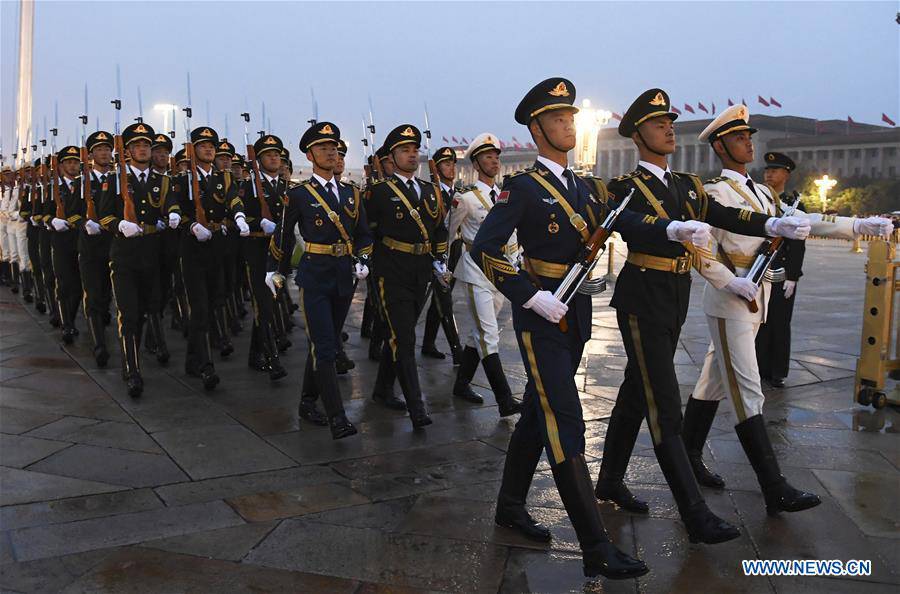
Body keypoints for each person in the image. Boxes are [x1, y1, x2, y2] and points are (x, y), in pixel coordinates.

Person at [470, 78, 709, 578]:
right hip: (542, 315)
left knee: (539, 412)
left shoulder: (584, 187)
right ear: (536, 129)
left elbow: (626, 223)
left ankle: (510, 505)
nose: (569, 126)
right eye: (558, 119)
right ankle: (595, 547)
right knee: (564, 419)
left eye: (572, 118)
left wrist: (671, 228)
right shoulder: (523, 188)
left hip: (576, 311)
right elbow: (485, 247)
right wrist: (529, 295)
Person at [593, 89, 802, 545]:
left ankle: (608, 480)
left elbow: (728, 213)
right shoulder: (625, 187)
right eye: (658, 124)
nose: (669, 128)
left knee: (635, 389)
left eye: (670, 122)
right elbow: (622, 223)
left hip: (675, 294)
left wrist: (771, 224)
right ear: (636, 135)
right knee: (664, 402)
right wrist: (669, 228)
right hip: (641, 297)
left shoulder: (687, 184)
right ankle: (693, 512)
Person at [687, 104, 894, 515]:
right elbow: (698, 249)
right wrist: (730, 282)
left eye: (749, 135)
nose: (749, 142)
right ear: (721, 145)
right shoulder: (713, 193)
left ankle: (688, 456)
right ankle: (774, 486)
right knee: (748, 390)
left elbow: (805, 221)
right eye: (740, 137)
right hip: (732, 297)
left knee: (711, 381)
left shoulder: (763, 193)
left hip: (756, 294)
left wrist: (857, 226)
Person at [266, 122, 371, 439]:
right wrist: (275, 269)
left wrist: (363, 258)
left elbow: (364, 234)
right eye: (324, 147)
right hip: (314, 276)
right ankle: (338, 417)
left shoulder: (352, 194)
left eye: (334, 147)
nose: (331, 151)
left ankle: (307, 401)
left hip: (344, 276)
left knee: (322, 342)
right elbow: (283, 236)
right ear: (310, 155)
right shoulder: (298, 194)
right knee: (327, 346)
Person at [366, 124, 448, 428]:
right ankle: (417, 407)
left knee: (399, 335)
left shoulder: (429, 190)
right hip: (392, 271)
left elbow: (439, 227)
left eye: (415, 150)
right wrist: (367, 265)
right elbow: (367, 232)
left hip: (421, 271)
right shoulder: (379, 192)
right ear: (392, 156)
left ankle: (381, 389)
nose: (412, 154)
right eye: (404, 150)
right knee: (405, 337)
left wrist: (439, 259)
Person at [447, 135, 521, 416]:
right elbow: (448, 233)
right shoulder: (464, 199)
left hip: (504, 272)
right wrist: (442, 265)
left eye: (496, 157)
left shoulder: (506, 196)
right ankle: (504, 400)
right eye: (488, 157)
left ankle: (461, 384)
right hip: (478, 271)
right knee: (488, 334)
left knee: (481, 331)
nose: (494, 162)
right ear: (476, 163)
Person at [171, 126, 249, 390]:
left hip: (216, 244)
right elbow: (174, 209)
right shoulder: (182, 180)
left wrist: (238, 215)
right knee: (200, 307)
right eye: (203, 145)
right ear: (192, 150)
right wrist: (189, 225)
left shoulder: (224, 178)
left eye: (211, 146)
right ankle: (205, 365)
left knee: (216, 300)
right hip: (192, 248)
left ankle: (193, 360)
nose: (208, 149)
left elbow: (232, 200)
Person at [98, 123, 173, 396]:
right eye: (137, 146)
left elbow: (171, 205)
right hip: (125, 254)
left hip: (152, 253)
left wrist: (172, 216)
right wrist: (119, 225)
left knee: (149, 308)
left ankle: (140, 352)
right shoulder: (115, 179)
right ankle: (131, 369)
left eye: (146, 146)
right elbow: (103, 215)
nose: (142, 149)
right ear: (127, 151)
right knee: (128, 313)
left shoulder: (161, 181)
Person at [755, 151, 804, 388]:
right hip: (758, 269)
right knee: (759, 321)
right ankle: (759, 366)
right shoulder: (759, 201)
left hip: (782, 272)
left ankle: (777, 371)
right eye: (767, 170)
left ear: (786, 174)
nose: (768, 174)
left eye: (774, 171)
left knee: (780, 323)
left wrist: (793, 276)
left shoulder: (795, 206)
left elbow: (797, 246)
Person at [243, 133, 286, 381]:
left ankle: (254, 353)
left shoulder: (285, 186)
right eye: (268, 154)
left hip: (277, 254)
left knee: (272, 301)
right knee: (264, 306)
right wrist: (258, 222)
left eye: (276, 154)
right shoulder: (249, 186)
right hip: (258, 252)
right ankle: (272, 359)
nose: (273, 158)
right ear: (258, 160)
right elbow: (236, 213)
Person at [421, 145, 463, 364]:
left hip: (453, 251)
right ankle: (457, 351)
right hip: (435, 253)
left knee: (439, 300)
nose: (452, 168)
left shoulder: (458, 194)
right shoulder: (430, 194)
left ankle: (428, 343)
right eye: (446, 164)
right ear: (436, 169)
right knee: (444, 300)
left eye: (453, 163)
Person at [79, 131, 116, 367]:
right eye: (99, 149)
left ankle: (102, 323)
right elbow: (70, 209)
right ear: (91, 154)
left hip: (112, 243)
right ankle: (99, 344)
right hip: (90, 245)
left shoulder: (117, 180)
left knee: (107, 294)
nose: (104, 153)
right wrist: (85, 222)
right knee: (93, 294)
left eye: (107, 149)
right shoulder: (83, 182)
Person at [48, 146, 85, 344]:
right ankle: (67, 324)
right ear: (61, 165)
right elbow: (41, 211)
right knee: (64, 283)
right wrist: (51, 220)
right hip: (60, 239)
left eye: (75, 162)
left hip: (79, 239)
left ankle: (68, 316)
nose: (72, 165)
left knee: (78, 286)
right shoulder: (52, 187)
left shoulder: (83, 185)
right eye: (69, 162)